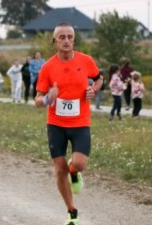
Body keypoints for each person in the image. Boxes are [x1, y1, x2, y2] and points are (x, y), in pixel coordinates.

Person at [35, 22, 102, 225]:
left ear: (74, 40)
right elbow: (38, 100)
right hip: (56, 123)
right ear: (55, 41)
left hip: (80, 122)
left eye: (69, 37)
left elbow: (99, 79)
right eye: (61, 37)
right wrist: (48, 99)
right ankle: (72, 211)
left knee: (78, 164)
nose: (66, 41)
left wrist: (94, 90)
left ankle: (75, 174)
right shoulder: (48, 67)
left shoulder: (86, 61)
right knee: (59, 168)